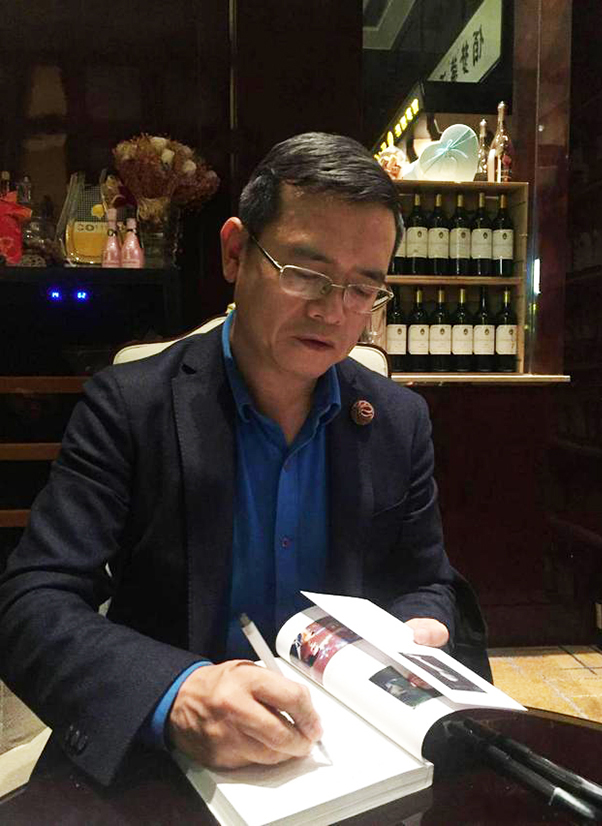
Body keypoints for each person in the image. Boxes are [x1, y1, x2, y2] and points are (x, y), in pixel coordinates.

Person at [0, 132, 488, 788]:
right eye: (306, 273)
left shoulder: (398, 421)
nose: (333, 312)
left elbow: (426, 579)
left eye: (362, 288)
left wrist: (417, 627)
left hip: (345, 754)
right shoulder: (130, 405)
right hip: (174, 759)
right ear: (236, 252)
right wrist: (177, 693)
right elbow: (32, 601)